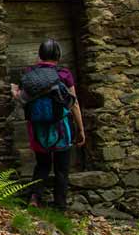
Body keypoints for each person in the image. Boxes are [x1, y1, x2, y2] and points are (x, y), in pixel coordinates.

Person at [12, 38, 86, 210]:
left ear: (39, 55)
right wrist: (81, 129)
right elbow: (73, 103)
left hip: (37, 128)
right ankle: (60, 205)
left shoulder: (29, 72)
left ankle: (34, 199)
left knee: (42, 164)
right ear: (58, 55)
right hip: (61, 128)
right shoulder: (64, 74)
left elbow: (21, 97)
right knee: (62, 167)